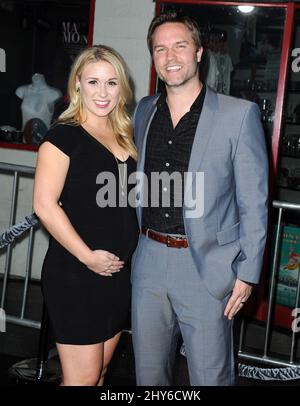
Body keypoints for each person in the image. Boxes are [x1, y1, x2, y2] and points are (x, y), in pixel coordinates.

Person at [131, 12, 268, 386]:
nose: (170, 56)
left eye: (180, 46)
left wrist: (248, 272)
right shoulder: (144, 110)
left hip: (207, 267)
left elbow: (253, 202)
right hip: (148, 261)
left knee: (210, 377)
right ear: (153, 57)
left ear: (199, 53)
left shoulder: (238, 115)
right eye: (160, 49)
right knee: (148, 375)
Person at [33, 45, 139, 386]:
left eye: (111, 83)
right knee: (82, 379)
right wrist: (88, 257)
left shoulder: (125, 136)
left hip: (116, 276)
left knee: (100, 376)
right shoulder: (63, 136)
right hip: (77, 274)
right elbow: (44, 205)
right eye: (93, 82)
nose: (103, 92)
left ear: (122, 87)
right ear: (77, 84)